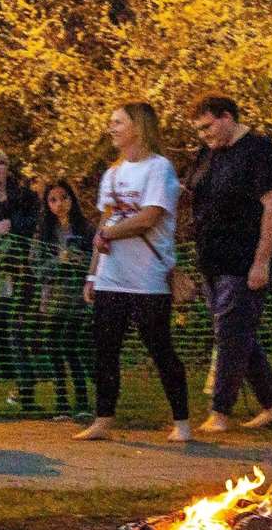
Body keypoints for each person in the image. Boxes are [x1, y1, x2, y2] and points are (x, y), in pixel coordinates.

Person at [73, 103, 189, 441]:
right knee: (105, 349)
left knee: (159, 347)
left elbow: (150, 216)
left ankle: (181, 420)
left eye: (118, 122)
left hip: (149, 278)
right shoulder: (112, 174)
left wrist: (110, 233)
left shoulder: (159, 169)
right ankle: (103, 419)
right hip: (112, 276)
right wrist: (93, 274)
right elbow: (104, 222)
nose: (111, 128)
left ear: (138, 126)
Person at [186, 94, 272, 433]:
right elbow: (191, 194)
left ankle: (220, 411)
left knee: (230, 335)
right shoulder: (207, 155)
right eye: (199, 130)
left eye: (207, 126)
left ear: (227, 117)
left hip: (243, 261)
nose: (204, 135)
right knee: (237, 334)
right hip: (211, 260)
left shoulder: (260, 151)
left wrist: (261, 261)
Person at [0, 146, 41, 414]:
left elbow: (37, 223)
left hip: (22, 276)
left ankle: (25, 394)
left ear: (7, 166)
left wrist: (11, 224)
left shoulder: (25, 196)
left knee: (19, 334)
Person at [31, 180, 94, 416]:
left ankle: (81, 401)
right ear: (47, 204)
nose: (59, 204)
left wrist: (80, 262)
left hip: (77, 300)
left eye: (64, 198)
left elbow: (97, 261)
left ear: (72, 200)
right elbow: (35, 266)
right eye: (53, 200)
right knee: (53, 347)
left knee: (71, 347)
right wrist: (58, 261)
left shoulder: (86, 229)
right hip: (52, 300)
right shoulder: (43, 233)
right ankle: (61, 401)